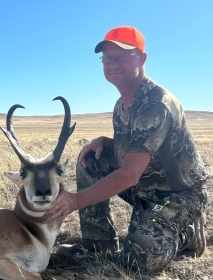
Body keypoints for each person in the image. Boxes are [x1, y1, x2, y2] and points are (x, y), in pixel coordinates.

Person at [46, 26, 209, 274]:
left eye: (122, 56)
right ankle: (97, 242)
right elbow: (137, 147)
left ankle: (187, 233)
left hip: (178, 197)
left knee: (140, 259)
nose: (113, 63)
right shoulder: (121, 105)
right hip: (146, 188)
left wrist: (75, 201)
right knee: (91, 159)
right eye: (107, 58)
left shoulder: (157, 104)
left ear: (142, 58)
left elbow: (129, 174)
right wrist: (106, 141)